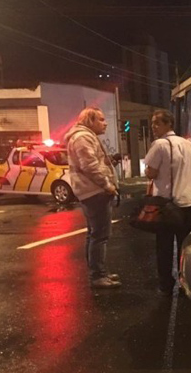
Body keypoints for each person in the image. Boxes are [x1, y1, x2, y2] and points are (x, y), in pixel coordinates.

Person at [144, 110, 191, 295]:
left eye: (157, 123)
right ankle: (186, 283)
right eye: (153, 123)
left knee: (164, 247)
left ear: (168, 125)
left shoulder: (159, 145)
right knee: (185, 247)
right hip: (189, 203)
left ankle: (166, 285)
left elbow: (150, 173)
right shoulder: (188, 144)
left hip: (167, 205)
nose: (153, 127)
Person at [64, 107, 121, 289]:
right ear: (90, 121)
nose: (105, 123)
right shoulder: (83, 137)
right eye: (101, 119)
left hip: (91, 191)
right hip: (94, 192)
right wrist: (108, 185)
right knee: (100, 235)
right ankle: (98, 276)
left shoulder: (84, 136)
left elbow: (92, 162)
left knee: (94, 234)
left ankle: (97, 272)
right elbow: (90, 166)